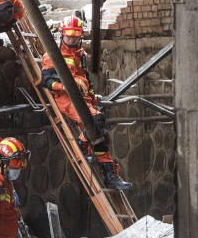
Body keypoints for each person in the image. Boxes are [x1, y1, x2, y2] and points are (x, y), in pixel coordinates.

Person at [39, 15, 132, 191]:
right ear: (62, 35)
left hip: (83, 100)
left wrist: (92, 97)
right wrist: (66, 87)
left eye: (76, 36)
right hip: (66, 99)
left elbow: (86, 79)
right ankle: (82, 145)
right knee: (95, 121)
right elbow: (46, 81)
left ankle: (110, 176)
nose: (72, 39)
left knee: (101, 135)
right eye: (69, 36)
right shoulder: (52, 55)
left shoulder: (81, 54)